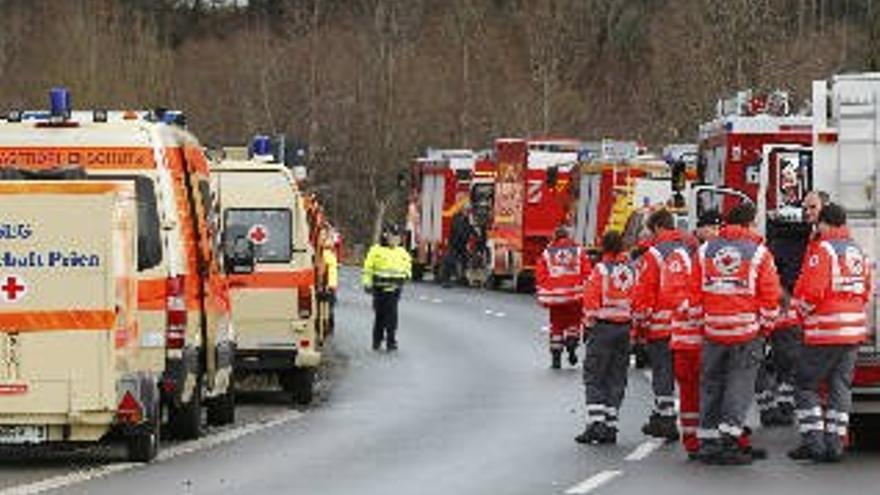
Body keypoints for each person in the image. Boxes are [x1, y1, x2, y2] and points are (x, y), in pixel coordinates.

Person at [693, 202, 781, 465]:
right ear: (748, 224)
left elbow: (693, 291)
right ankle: (729, 442)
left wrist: (703, 322)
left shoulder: (705, 250)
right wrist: (765, 328)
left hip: (713, 330)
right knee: (738, 387)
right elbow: (770, 296)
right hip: (745, 332)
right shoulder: (758, 253)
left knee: (711, 385)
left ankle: (707, 441)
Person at [789, 203, 871, 463]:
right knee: (840, 386)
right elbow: (866, 289)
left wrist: (797, 313)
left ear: (824, 223)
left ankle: (814, 442)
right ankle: (835, 445)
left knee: (805, 384)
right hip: (852, 330)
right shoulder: (856, 249)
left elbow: (813, 291)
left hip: (826, 329)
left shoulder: (823, 249)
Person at [758, 190, 828, 426]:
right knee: (793, 360)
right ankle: (790, 409)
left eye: (812, 208)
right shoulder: (807, 239)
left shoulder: (789, 239)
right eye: (806, 208)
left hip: (792, 308)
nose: (808, 212)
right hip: (794, 308)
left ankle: (782, 403)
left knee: (786, 360)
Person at [633, 209, 692, 441]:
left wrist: (639, 325)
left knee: (662, 372)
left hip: (660, 324)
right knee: (682, 374)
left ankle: (666, 418)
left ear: (658, 227)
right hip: (684, 324)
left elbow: (645, 291)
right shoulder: (686, 251)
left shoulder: (654, 254)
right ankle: (660, 416)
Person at [576, 230, 636, 445]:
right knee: (616, 376)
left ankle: (596, 424)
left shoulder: (600, 270)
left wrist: (587, 324)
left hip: (603, 328)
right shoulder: (631, 270)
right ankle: (611, 425)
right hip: (624, 329)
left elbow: (591, 300)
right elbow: (636, 300)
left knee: (595, 376)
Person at [536, 225, 592, 369]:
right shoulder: (579, 252)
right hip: (575, 295)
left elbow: (541, 275)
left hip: (556, 297)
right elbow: (587, 272)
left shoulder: (547, 253)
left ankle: (556, 357)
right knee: (574, 322)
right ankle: (572, 345)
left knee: (557, 326)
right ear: (568, 236)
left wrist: (545, 290)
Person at [362, 224, 412, 351]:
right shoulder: (376, 250)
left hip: (394, 289)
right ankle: (377, 340)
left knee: (392, 316)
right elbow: (368, 268)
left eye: (397, 237)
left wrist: (407, 275)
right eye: (392, 236)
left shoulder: (402, 252)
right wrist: (367, 283)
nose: (395, 239)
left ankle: (391, 341)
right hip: (379, 289)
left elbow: (407, 265)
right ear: (385, 236)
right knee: (380, 315)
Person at [441, 204, 475, 287]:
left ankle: (462, 278)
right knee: (449, 261)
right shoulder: (457, 218)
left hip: (462, 244)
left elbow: (470, 230)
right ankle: (446, 280)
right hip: (454, 243)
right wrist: (468, 234)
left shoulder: (467, 219)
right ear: (463, 210)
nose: (468, 212)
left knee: (465, 260)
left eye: (469, 211)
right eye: (467, 210)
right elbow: (459, 230)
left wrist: (474, 233)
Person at [321, 235, 339, 334]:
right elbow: (324, 271)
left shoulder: (329, 254)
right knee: (328, 308)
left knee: (330, 308)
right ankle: (327, 327)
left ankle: (328, 327)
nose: (332, 242)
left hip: (331, 285)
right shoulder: (326, 254)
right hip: (329, 285)